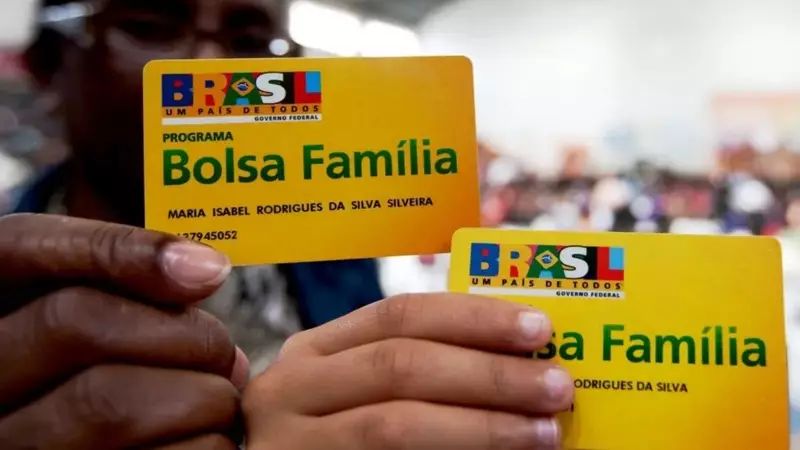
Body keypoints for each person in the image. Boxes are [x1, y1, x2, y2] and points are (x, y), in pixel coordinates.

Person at [0, 0, 575, 449]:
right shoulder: (12, 293)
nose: (210, 69)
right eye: (150, 25)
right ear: (50, 63)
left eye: (250, 42)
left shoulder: (342, 250)